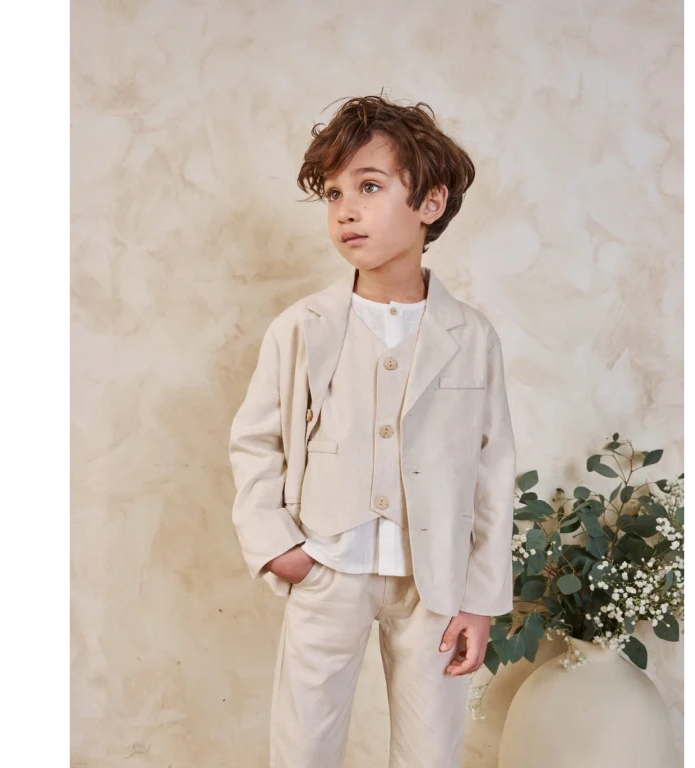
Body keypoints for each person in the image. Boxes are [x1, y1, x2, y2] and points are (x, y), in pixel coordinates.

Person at [229, 95, 516, 768]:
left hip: (434, 582)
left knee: (430, 749)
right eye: (333, 193)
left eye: (369, 187)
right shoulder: (301, 328)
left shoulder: (472, 337)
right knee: (304, 744)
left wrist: (479, 600)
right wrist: (278, 546)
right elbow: (256, 442)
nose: (345, 210)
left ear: (431, 203)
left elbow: (492, 470)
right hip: (327, 564)